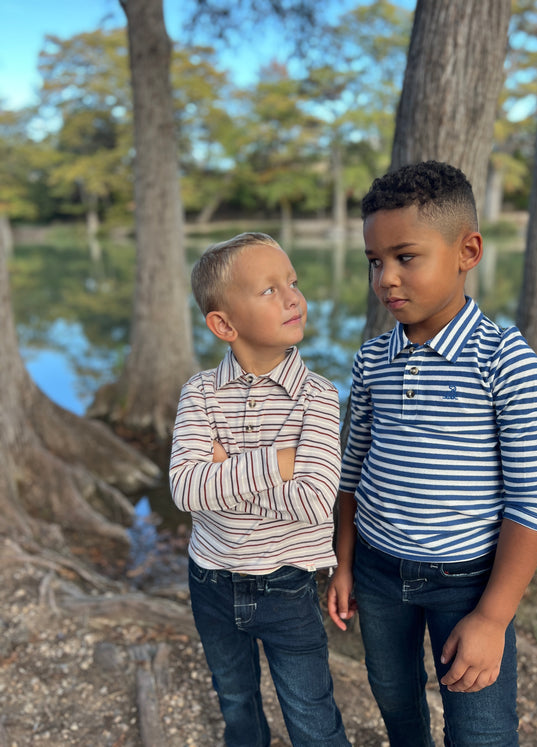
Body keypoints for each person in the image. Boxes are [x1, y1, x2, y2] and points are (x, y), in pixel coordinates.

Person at [327, 161, 537, 747]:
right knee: (398, 707)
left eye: (406, 257)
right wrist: (346, 562)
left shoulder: (506, 362)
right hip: (378, 574)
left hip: (468, 584)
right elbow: (351, 470)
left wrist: (493, 617)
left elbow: (531, 503)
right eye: (375, 262)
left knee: (480, 729)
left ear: (468, 250)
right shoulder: (373, 358)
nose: (385, 279)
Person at [170, 232, 350, 747]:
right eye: (269, 290)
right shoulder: (199, 392)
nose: (294, 298)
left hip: (287, 587)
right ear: (224, 324)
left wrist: (227, 471)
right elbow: (186, 488)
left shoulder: (318, 394)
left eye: (292, 282)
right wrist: (282, 461)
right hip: (210, 580)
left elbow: (317, 502)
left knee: (312, 715)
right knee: (235, 700)